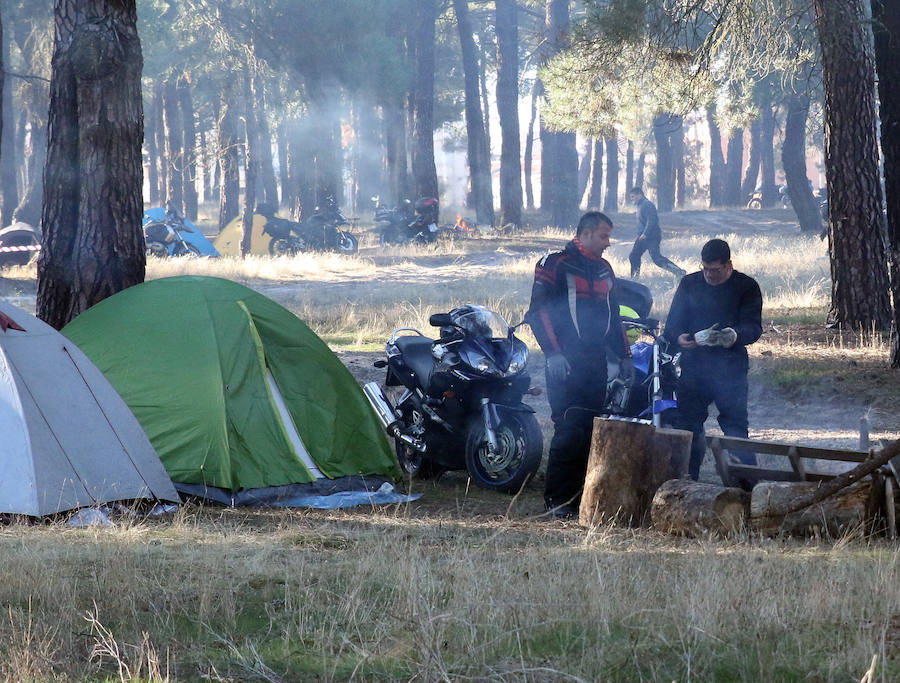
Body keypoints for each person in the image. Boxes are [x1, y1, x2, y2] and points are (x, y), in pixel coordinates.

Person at [525, 211, 634, 518]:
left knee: (590, 428)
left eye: (608, 236)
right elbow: (538, 312)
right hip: (565, 360)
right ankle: (557, 501)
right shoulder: (554, 263)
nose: (608, 243)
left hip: (596, 360)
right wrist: (553, 353)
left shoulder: (604, 269)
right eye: (603, 236)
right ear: (585, 234)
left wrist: (625, 356)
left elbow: (615, 317)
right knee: (570, 427)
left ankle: (581, 498)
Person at [662, 238, 763, 481]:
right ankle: (685, 481)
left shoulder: (746, 286)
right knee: (687, 426)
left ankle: (745, 485)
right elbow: (672, 325)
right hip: (693, 367)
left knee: (735, 426)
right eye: (704, 268)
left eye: (715, 270)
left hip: (730, 368)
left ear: (728, 265)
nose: (709, 274)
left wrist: (734, 335)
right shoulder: (689, 284)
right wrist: (679, 337)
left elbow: (753, 327)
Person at [627, 187, 686, 280]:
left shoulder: (647, 204)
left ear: (639, 195)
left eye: (633, 196)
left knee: (657, 259)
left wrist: (645, 233)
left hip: (651, 237)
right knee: (634, 256)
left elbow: (652, 220)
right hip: (642, 237)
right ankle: (634, 279)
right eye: (631, 197)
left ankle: (679, 271)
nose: (632, 199)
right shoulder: (640, 205)